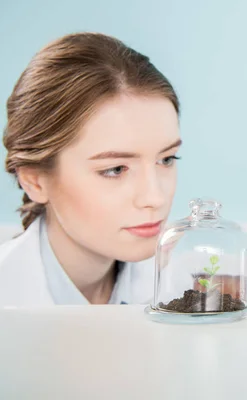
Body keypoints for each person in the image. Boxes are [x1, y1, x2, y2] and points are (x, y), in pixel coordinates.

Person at [0, 32, 181, 306]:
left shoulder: (183, 285)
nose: (154, 198)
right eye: (116, 169)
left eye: (166, 159)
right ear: (34, 181)